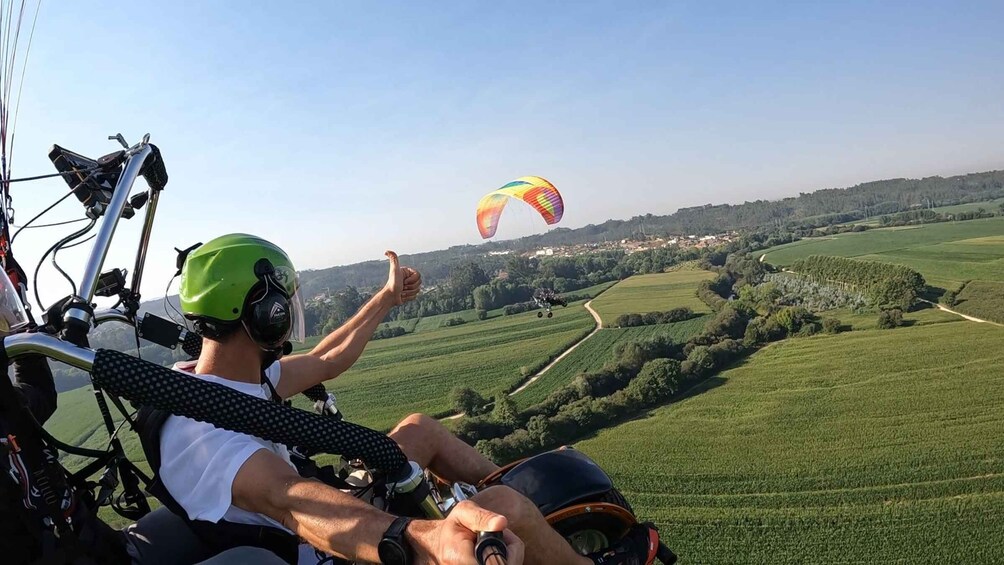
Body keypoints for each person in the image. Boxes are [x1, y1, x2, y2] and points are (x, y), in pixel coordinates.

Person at [155, 233, 658, 565]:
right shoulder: (202, 431)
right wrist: (424, 539)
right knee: (507, 507)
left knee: (418, 427)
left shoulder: (220, 381)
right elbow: (289, 500)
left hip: (315, 522)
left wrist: (387, 298)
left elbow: (327, 359)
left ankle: (511, 496)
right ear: (267, 316)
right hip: (315, 549)